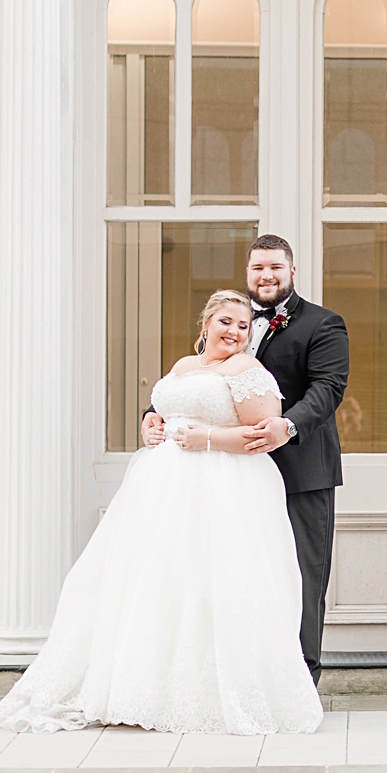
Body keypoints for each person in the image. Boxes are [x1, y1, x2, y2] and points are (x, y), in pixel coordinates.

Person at [0, 291, 322, 735]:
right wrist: (150, 422)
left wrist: (209, 440)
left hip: (223, 489)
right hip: (160, 490)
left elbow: (262, 437)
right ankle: (138, 687)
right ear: (205, 323)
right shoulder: (184, 367)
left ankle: (203, 695)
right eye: (225, 321)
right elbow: (166, 409)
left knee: (210, 583)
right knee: (155, 582)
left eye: (243, 326)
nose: (234, 332)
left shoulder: (248, 371)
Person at [143, 234, 348, 685]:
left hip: (299, 471)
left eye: (275, 267)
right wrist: (151, 418)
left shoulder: (322, 324)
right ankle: (233, 678)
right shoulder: (231, 319)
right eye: (257, 268)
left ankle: (297, 682)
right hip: (223, 479)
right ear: (248, 273)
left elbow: (327, 389)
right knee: (227, 577)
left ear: (292, 271)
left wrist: (287, 425)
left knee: (298, 577)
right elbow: (196, 388)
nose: (266, 276)